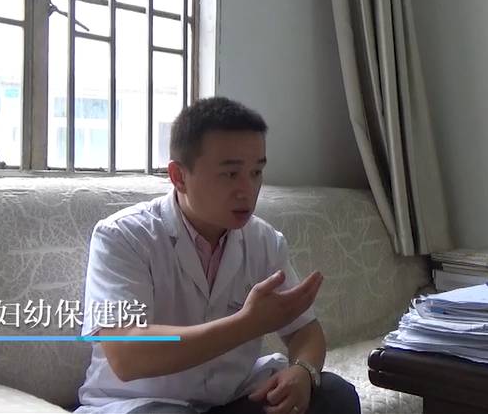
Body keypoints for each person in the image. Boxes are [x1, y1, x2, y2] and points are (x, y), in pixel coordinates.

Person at [75, 97, 361, 414]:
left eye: (256, 172)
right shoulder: (123, 236)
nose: (247, 190)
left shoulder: (264, 240)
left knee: (333, 394)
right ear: (179, 177)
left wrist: (303, 371)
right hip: (141, 404)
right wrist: (247, 324)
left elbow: (304, 331)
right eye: (230, 174)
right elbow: (128, 355)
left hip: (229, 399)